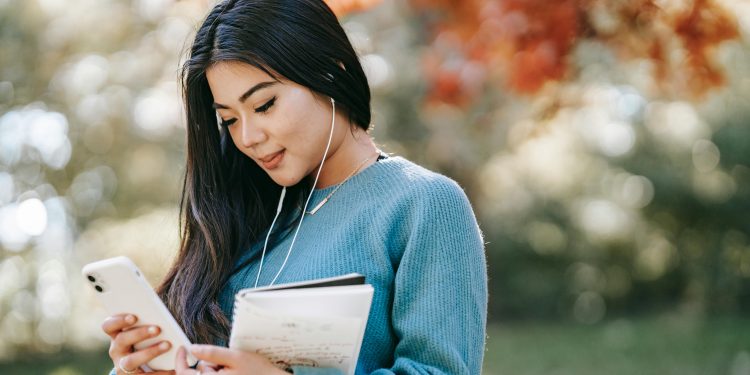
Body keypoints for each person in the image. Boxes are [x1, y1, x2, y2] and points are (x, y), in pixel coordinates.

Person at [101, 0, 487, 374]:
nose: (248, 137)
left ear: (330, 72)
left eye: (264, 104)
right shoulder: (243, 213)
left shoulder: (424, 204)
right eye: (230, 120)